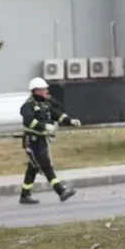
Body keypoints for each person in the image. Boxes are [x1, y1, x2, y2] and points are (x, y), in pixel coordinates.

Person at [19, 77, 82, 205]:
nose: (46, 91)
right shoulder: (28, 106)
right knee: (46, 166)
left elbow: (55, 114)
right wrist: (44, 126)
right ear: (36, 91)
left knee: (33, 168)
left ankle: (25, 195)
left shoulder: (44, 104)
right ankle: (61, 191)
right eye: (44, 89)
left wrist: (69, 121)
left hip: (41, 140)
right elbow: (29, 121)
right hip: (32, 142)